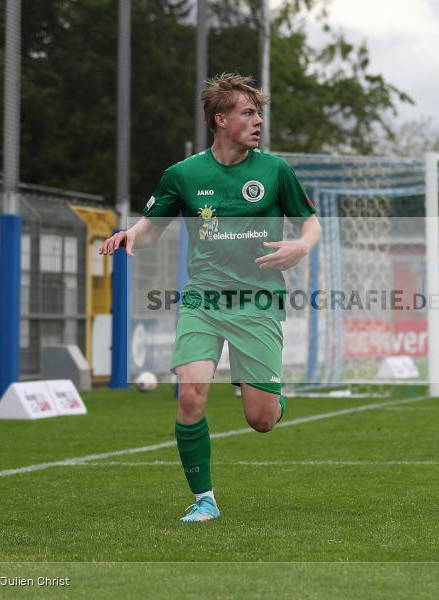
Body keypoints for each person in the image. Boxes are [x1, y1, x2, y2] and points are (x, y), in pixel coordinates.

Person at [100, 73, 320, 522]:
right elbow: (152, 227)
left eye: (258, 113)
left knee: (261, 420)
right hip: (203, 299)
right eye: (248, 113)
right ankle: (205, 500)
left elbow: (309, 222)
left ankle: (266, 395)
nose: (258, 121)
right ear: (221, 120)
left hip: (257, 300)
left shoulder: (275, 171)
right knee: (190, 396)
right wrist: (131, 234)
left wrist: (302, 245)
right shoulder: (182, 175)